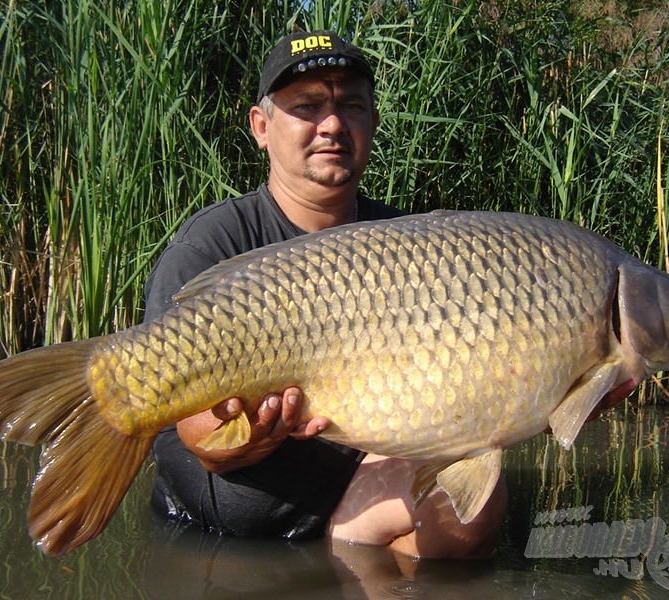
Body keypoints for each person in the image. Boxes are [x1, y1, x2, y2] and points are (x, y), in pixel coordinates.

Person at [144, 30, 507, 559]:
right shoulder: (215, 244)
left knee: (476, 506)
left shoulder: (412, 243)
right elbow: (196, 436)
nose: (333, 124)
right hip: (219, 535)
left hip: (352, 495)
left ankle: (351, 561)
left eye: (351, 106)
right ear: (262, 127)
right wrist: (250, 434)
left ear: (372, 123)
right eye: (308, 106)